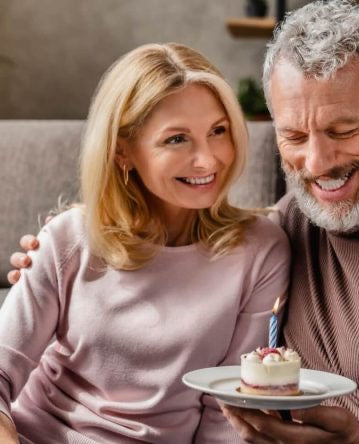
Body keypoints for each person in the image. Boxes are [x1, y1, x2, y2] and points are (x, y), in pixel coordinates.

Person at [8, 2, 359, 444]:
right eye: (294, 136)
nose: (317, 163)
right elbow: (182, 253)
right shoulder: (287, 226)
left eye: (342, 129)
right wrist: (74, 242)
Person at [1, 42, 289, 443]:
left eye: (218, 131)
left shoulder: (261, 251)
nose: (208, 160)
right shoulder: (69, 238)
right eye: (177, 139)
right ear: (123, 152)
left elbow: (227, 420)